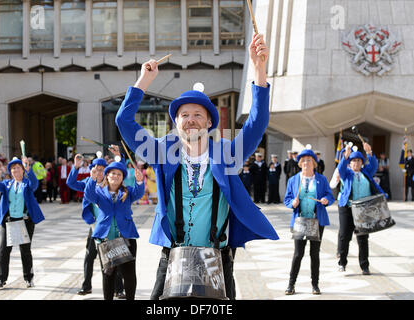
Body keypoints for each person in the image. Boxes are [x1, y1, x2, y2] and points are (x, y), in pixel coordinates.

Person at [115, 33, 278, 300]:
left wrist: (259, 69)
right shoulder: (161, 152)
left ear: (209, 123)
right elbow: (124, 121)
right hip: (173, 257)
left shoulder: (227, 154)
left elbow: (256, 124)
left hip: (217, 259)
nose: (191, 120)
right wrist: (144, 80)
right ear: (176, 122)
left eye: (198, 115)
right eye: (184, 115)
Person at [67, 147, 126, 298]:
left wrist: (120, 157)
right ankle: (86, 286)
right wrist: (76, 166)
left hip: (110, 225)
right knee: (89, 255)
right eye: (95, 169)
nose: (98, 172)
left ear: (106, 171)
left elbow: (121, 173)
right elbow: (71, 182)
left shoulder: (111, 184)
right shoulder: (88, 182)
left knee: (114, 256)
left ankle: (118, 289)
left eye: (101, 169)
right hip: (95, 226)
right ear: (91, 170)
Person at [84, 159, 145, 300]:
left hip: (126, 238)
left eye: (119, 174)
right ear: (107, 175)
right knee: (108, 274)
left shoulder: (127, 192)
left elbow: (138, 193)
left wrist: (140, 181)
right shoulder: (99, 192)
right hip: (106, 239)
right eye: (112, 173)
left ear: (123, 177)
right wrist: (92, 178)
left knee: (129, 274)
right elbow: (88, 195)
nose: (115, 176)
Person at [284, 147, 335, 295]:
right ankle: (291, 285)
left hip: (316, 220)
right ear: (300, 164)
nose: (306, 163)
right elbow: (287, 198)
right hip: (300, 220)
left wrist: (326, 200)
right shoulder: (293, 180)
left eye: (309, 161)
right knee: (298, 253)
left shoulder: (321, 179)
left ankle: (315, 285)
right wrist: (291, 203)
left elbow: (329, 195)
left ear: (314, 163)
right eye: (303, 161)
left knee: (315, 253)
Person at [0, 156, 45, 288]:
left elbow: (35, 185)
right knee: (4, 250)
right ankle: (1, 278)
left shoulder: (27, 183)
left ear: (23, 170)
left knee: (25, 250)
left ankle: (28, 278)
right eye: (12, 168)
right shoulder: (7, 184)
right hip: (9, 221)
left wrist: (29, 171)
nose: (15, 170)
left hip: (25, 221)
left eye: (18, 168)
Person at [336, 142, 385, 275]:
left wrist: (369, 153)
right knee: (345, 236)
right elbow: (340, 168)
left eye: (358, 161)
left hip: (363, 209)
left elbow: (374, 165)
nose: (356, 163)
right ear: (350, 163)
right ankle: (342, 262)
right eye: (353, 161)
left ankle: (364, 266)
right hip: (347, 208)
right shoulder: (346, 173)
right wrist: (345, 157)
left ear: (362, 163)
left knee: (363, 238)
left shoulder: (366, 172)